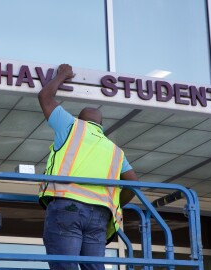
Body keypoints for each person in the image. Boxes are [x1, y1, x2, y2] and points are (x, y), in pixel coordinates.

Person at [38, 64, 138, 270]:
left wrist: (62, 75)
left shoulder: (71, 126)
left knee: (65, 266)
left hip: (68, 206)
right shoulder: (115, 150)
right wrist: (114, 201)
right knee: (93, 267)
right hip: (100, 214)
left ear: (80, 119)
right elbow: (133, 183)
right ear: (101, 126)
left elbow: (45, 98)